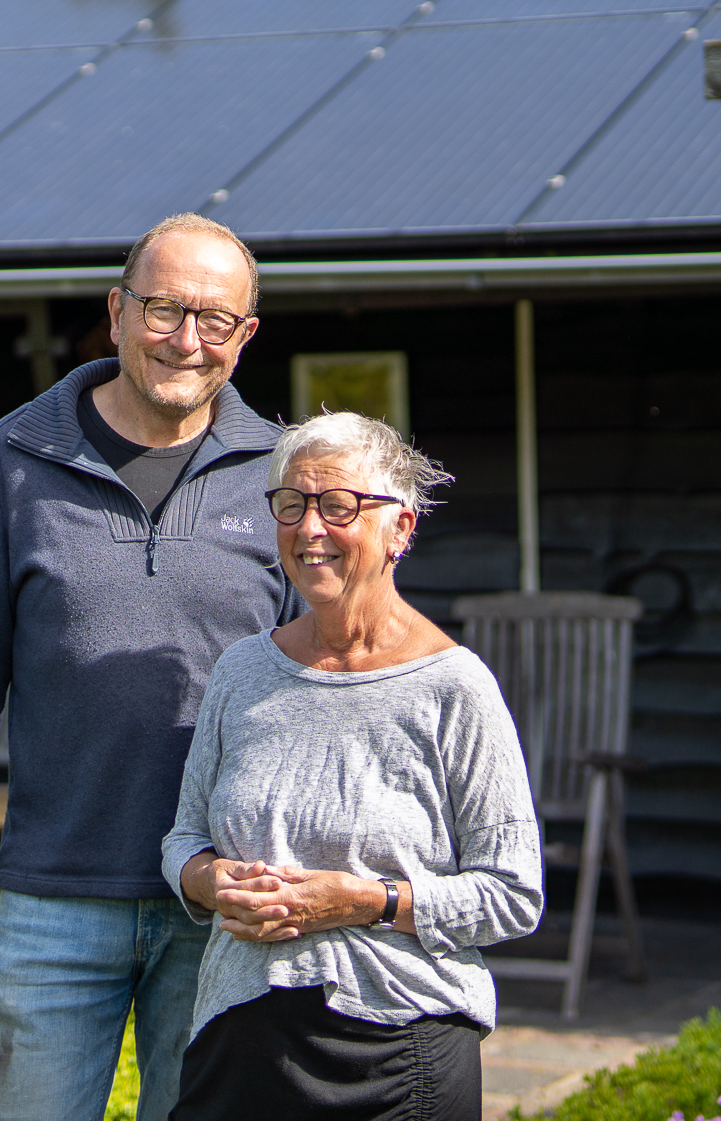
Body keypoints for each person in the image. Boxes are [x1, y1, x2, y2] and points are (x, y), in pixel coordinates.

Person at [0, 213, 300, 1121]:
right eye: (162, 309)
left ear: (246, 334)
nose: (186, 340)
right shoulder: (19, 459)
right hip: (53, 904)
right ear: (116, 311)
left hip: (222, 911)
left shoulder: (282, 476)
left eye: (214, 318)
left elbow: (327, 690)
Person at [160, 411, 542, 1120]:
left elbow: (512, 894)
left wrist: (367, 900)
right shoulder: (243, 671)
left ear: (400, 528)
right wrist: (211, 881)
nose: (310, 529)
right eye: (292, 504)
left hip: (400, 1049)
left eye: (339, 506)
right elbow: (183, 837)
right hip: (240, 1038)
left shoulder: (453, 687)